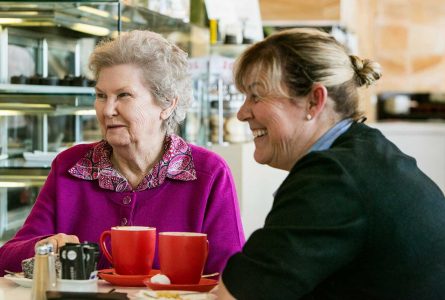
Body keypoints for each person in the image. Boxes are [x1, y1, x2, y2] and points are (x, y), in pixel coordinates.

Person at [214, 28, 445, 299]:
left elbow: (239, 294)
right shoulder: (363, 154)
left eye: (256, 96)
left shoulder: (333, 177)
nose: (242, 113)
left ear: (314, 101)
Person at [0, 30, 245, 276]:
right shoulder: (70, 167)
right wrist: (44, 247)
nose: (107, 110)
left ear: (167, 103)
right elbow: (6, 260)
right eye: (100, 96)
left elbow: (233, 277)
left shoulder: (208, 174)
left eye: (124, 95)